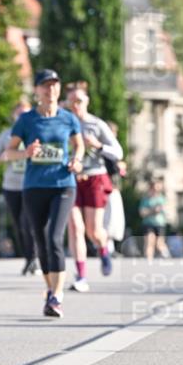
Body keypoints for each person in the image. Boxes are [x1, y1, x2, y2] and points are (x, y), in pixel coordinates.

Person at [4, 69, 84, 317]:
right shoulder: (27, 120)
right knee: (40, 240)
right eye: (45, 86)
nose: (51, 90)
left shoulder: (68, 118)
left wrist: (78, 160)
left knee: (54, 237)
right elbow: (9, 152)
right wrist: (26, 153)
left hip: (63, 185)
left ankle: (57, 296)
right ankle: (50, 291)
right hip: (34, 186)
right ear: (37, 90)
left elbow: (78, 145)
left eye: (54, 85)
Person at [65, 85, 123, 290]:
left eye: (79, 101)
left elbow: (118, 152)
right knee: (75, 227)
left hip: (94, 178)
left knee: (93, 230)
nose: (75, 106)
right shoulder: (63, 124)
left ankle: (104, 248)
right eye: (71, 101)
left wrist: (98, 146)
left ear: (87, 102)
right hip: (70, 179)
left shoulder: (96, 124)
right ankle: (81, 276)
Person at [0, 98, 39, 276]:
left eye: (25, 113)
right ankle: (28, 258)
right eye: (19, 113)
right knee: (19, 224)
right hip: (11, 185)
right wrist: (3, 157)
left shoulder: (35, 131)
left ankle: (34, 257)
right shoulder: (6, 134)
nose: (22, 117)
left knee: (29, 223)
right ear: (13, 115)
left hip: (32, 184)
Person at [139, 179, 169, 261]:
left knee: (159, 243)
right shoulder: (146, 199)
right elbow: (142, 212)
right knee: (149, 241)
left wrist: (152, 211)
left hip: (159, 224)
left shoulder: (162, 199)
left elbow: (163, 210)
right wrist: (153, 211)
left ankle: (166, 254)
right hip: (148, 224)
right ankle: (149, 261)